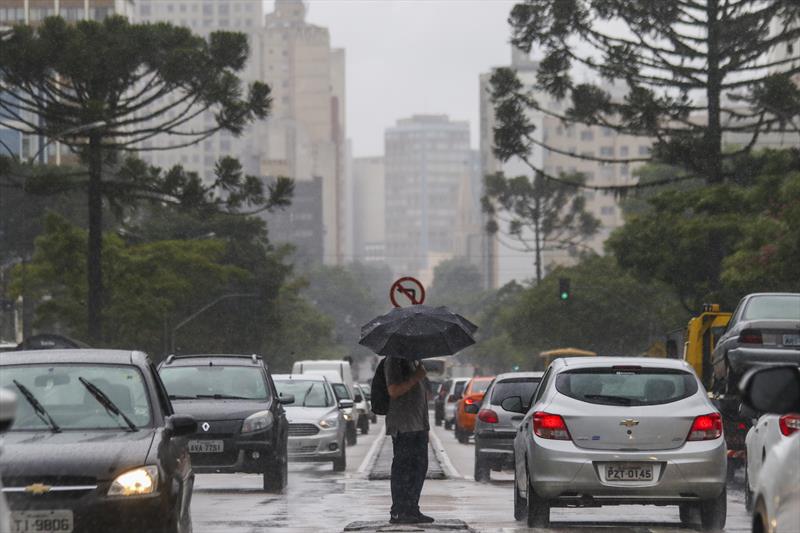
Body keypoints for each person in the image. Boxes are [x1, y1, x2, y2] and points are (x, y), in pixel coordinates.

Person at [384, 356, 434, 524]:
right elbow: (393, 391)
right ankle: (398, 511)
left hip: (418, 425)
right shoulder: (394, 360)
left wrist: (426, 427)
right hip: (403, 426)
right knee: (403, 470)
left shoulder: (414, 361)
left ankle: (412, 509)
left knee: (419, 468)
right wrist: (416, 377)